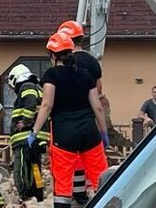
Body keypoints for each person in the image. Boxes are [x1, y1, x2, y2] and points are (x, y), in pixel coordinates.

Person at [29, 32, 109, 208]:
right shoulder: (84, 75)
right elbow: (97, 106)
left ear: (52, 55)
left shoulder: (52, 75)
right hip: (90, 133)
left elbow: (47, 105)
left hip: (64, 135)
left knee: (63, 185)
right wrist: (103, 132)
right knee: (102, 179)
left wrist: (34, 131)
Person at [57, 19, 103, 204]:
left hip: (66, 118)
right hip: (89, 115)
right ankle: (96, 195)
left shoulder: (66, 61)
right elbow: (98, 88)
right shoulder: (92, 61)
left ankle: (76, 197)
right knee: (92, 160)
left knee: (70, 162)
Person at [6, 64, 48, 202]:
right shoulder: (39, 88)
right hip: (37, 136)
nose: (13, 89)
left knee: (22, 168)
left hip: (25, 137)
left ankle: (25, 195)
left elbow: (30, 102)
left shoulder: (27, 87)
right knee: (35, 167)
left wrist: (25, 121)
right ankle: (38, 193)